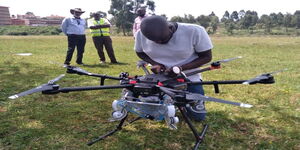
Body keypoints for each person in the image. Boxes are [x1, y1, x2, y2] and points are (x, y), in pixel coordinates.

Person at [134, 16, 213, 121]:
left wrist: (180, 68)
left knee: (198, 117)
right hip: (160, 79)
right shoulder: (140, 34)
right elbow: (139, 52)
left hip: (188, 77)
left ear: (170, 28)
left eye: (163, 39)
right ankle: (171, 104)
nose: (159, 43)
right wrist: (155, 63)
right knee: (155, 114)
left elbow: (206, 57)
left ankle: (181, 104)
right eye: (155, 41)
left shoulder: (194, 31)